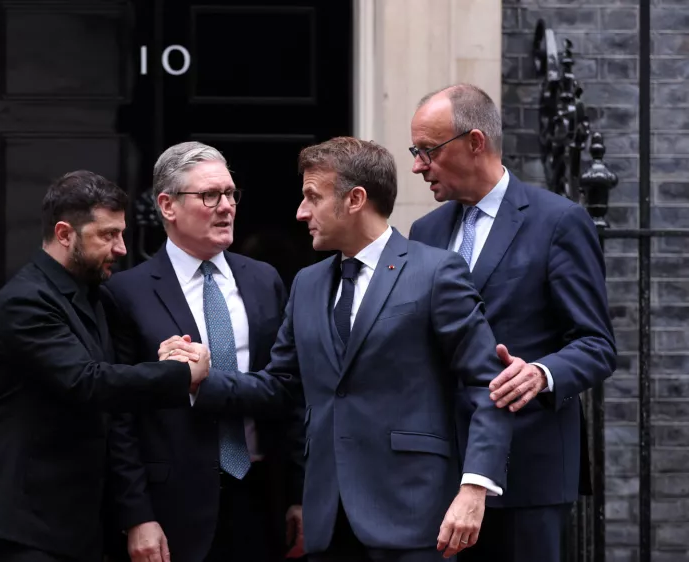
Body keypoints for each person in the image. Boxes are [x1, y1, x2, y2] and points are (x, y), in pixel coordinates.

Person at [203, 136, 521, 562]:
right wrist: (201, 379)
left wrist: (474, 487)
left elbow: (487, 385)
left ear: (355, 199)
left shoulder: (435, 272)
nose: (301, 212)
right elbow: (281, 387)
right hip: (328, 522)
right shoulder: (307, 284)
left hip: (416, 515)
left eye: (312, 197)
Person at [407, 84, 617, 562]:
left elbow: (597, 344)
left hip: (528, 470)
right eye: (414, 152)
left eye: (427, 151)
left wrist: (542, 373)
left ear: (475, 143)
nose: (418, 166)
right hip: (440, 471)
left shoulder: (558, 221)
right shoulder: (425, 231)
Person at [0, 170, 211, 562]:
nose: (122, 248)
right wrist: (183, 374)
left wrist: (164, 355)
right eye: (108, 235)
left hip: (74, 527)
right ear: (65, 234)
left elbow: (108, 374)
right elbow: (87, 382)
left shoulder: (90, 295)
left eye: (121, 233)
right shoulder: (25, 302)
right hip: (25, 530)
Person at [102, 142, 304, 562]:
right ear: (167, 205)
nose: (226, 206)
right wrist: (137, 515)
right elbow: (119, 418)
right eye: (210, 195)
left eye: (230, 194)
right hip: (172, 507)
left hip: (262, 497)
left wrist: (300, 495)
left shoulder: (265, 280)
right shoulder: (127, 293)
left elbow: (292, 393)